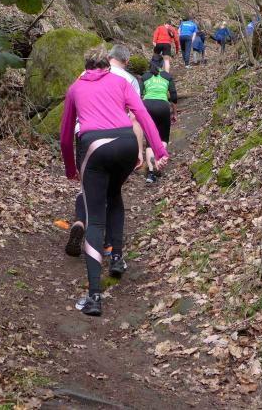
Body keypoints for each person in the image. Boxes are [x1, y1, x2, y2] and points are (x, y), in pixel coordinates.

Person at [60, 47, 168, 316]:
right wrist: (159, 150)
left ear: (86, 67)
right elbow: (142, 114)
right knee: (115, 194)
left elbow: (65, 136)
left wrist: (71, 168)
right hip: (126, 144)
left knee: (96, 219)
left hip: (95, 146)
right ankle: (117, 257)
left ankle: (94, 297)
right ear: (107, 66)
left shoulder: (75, 88)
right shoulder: (121, 82)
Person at [65, 45, 144, 259]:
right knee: (112, 191)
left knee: (88, 187)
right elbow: (135, 117)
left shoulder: (83, 75)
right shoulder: (129, 80)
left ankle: (80, 222)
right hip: (118, 137)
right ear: (126, 61)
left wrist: (69, 164)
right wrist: (139, 150)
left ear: (109, 57)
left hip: (85, 136)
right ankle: (110, 243)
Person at [141, 54, 177, 183]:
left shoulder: (145, 76)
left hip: (147, 107)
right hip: (163, 107)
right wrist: (174, 113)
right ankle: (159, 163)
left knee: (149, 141)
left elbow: (138, 94)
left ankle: (151, 174)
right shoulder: (167, 76)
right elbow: (173, 96)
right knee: (163, 138)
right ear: (162, 64)